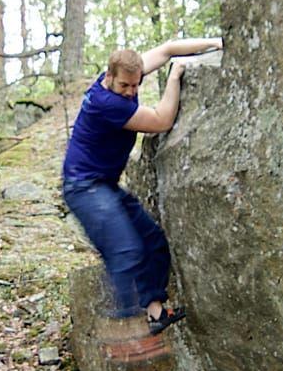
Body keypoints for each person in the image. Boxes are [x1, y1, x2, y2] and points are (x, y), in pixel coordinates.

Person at [61, 38, 220, 335]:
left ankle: (155, 312)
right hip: (83, 188)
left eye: (136, 86)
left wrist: (218, 42)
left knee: (153, 241)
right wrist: (174, 77)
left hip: (104, 185)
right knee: (127, 250)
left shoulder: (125, 73)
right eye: (125, 86)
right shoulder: (106, 103)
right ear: (108, 77)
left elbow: (168, 49)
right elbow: (161, 120)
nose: (131, 92)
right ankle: (124, 326)